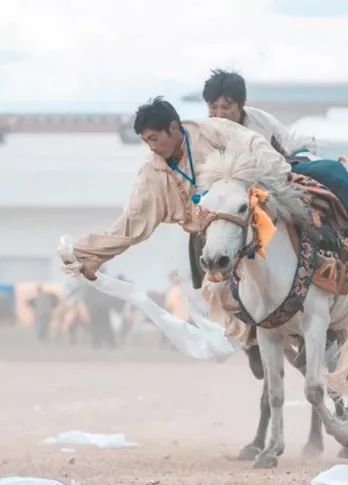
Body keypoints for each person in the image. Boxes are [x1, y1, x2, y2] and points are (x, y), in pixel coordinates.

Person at [56, 97, 290, 353]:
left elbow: (253, 143)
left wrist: (283, 171)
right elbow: (129, 226)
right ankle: (252, 342)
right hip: (205, 237)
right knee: (219, 293)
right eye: (146, 141)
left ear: (175, 128)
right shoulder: (151, 176)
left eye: (155, 139)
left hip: (248, 217)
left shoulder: (210, 131)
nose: (151, 147)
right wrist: (84, 256)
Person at [201, 69, 348, 251]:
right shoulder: (203, 135)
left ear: (241, 105)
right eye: (213, 107)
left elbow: (285, 147)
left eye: (226, 107)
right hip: (231, 190)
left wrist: (286, 167)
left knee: (332, 169)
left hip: (280, 171)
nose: (219, 114)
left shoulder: (259, 119)